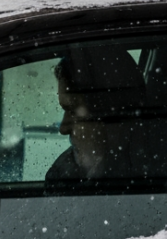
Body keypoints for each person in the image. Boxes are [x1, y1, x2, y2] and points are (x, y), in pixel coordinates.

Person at [46, 47, 145, 181]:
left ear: (113, 118)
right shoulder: (62, 173)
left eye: (73, 111)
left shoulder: (150, 179)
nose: (63, 129)